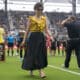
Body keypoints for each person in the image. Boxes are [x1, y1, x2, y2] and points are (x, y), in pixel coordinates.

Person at [21, 2, 52, 78]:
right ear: (35, 9)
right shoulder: (31, 19)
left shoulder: (44, 19)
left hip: (41, 37)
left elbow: (46, 29)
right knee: (32, 54)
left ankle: (41, 71)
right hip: (32, 37)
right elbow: (27, 30)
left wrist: (50, 36)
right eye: (38, 9)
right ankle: (31, 69)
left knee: (40, 54)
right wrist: (24, 40)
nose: (40, 11)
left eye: (41, 9)